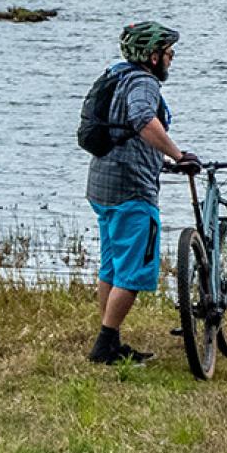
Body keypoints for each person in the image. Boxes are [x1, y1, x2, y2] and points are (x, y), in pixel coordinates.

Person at [84, 20, 201, 365]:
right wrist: (178, 155)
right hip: (131, 191)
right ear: (152, 57)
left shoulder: (117, 75)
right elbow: (141, 119)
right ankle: (105, 346)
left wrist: (161, 160)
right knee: (134, 272)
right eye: (167, 53)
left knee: (112, 268)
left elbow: (125, 131)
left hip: (103, 185)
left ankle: (110, 340)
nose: (172, 58)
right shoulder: (144, 83)